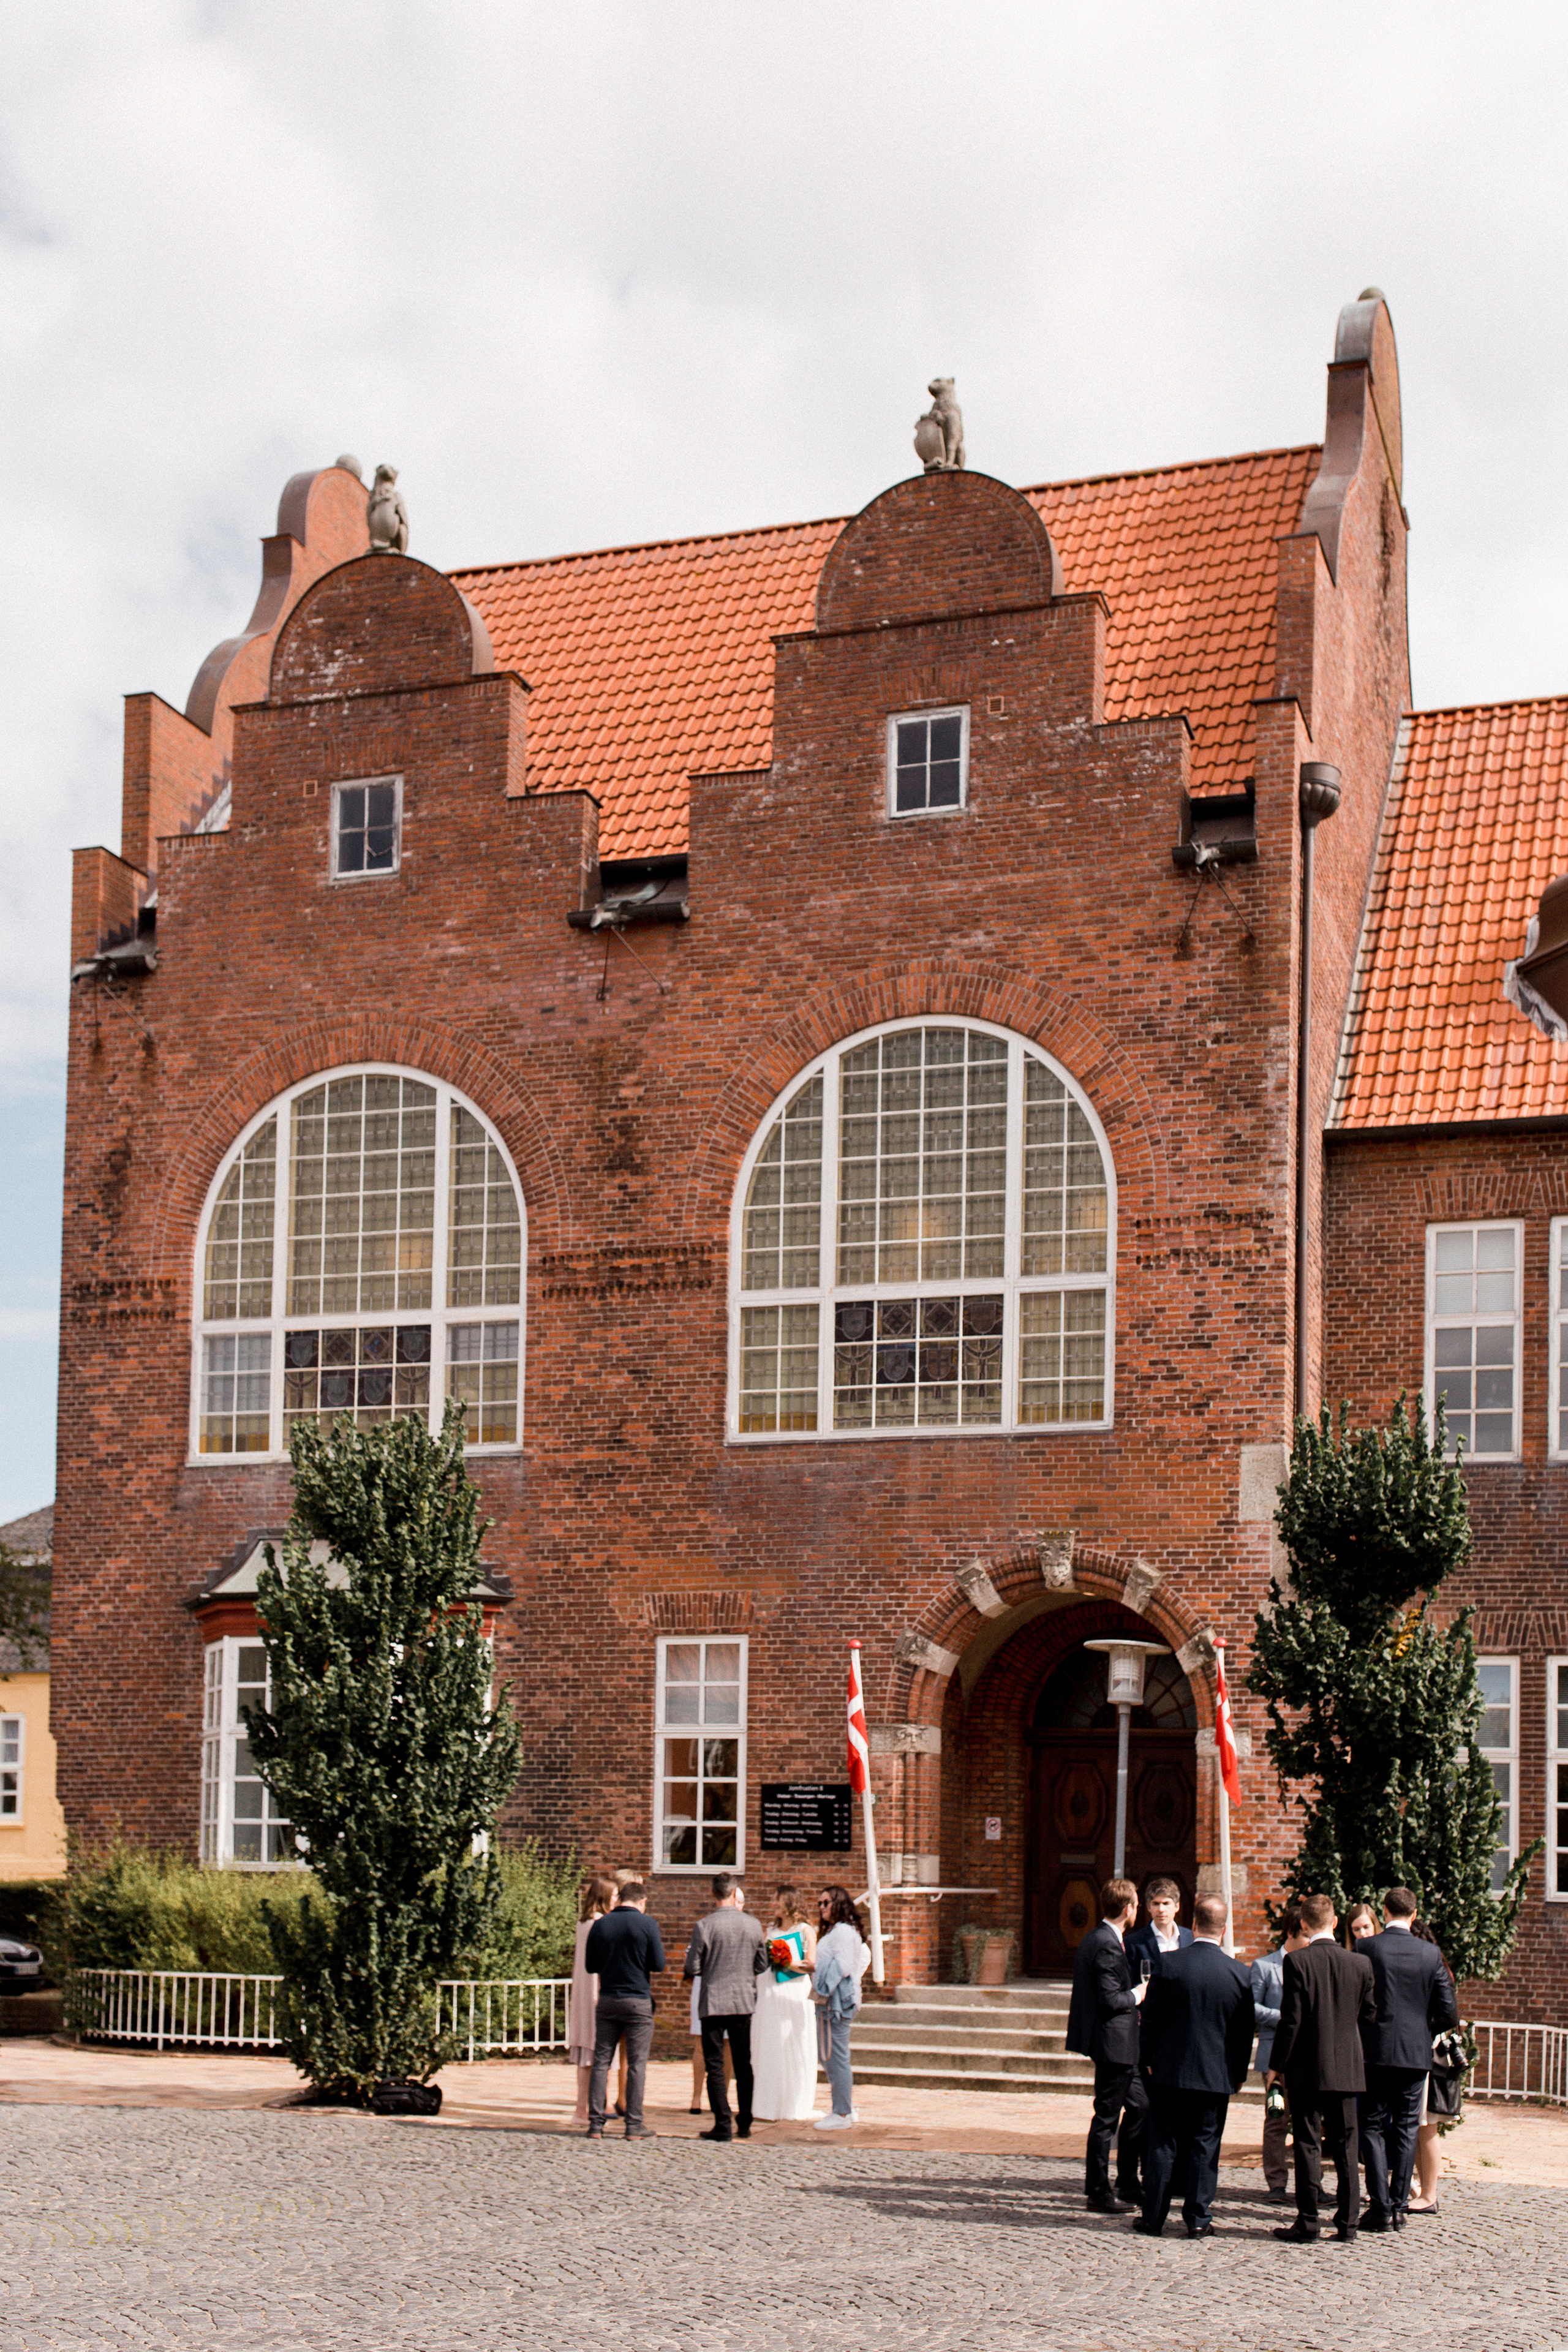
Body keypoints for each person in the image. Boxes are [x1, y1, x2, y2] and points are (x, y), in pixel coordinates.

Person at [1134, 1891, 1256, 2238]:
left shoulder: (1168, 1964)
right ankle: (1199, 2218)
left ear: (1194, 1924)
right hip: (1216, 2074)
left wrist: (1148, 2060)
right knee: (1205, 2145)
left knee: (1163, 2143)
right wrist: (1238, 2074)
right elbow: (1244, 2033)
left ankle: (1153, 2217)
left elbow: (1150, 2018)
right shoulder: (1239, 1974)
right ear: (1225, 1929)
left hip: (1170, 2070)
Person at [1267, 1891, 1376, 2241]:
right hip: (1347, 2066)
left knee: (1308, 2143)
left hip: (1307, 2067)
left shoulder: (1297, 1962)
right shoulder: (1360, 1963)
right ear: (1335, 1922)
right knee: (1346, 2145)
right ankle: (1348, 2223)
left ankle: (1309, 2221)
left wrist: (1277, 2066)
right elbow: (1370, 2016)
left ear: (1303, 1925)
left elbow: (1291, 2020)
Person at [1360, 1888, 1460, 2230]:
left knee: (1371, 2125)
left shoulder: (1367, 1948)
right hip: (1415, 2054)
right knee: (1406, 2127)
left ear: (1385, 1912)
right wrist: (1421, 2030)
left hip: (1375, 2051)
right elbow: (1449, 2013)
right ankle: (1399, 2206)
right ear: (1414, 1915)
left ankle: (1380, 2205)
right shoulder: (1430, 1953)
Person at [1064, 1877, 1149, 2212]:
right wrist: (1139, 1994)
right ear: (1128, 1909)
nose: (1137, 1911)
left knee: (1141, 2107)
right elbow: (1110, 1998)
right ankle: (1098, 2191)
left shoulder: (1104, 1938)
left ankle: (1127, 2181)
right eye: (1137, 1905)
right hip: (1114, 2044)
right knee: (1106, 2119)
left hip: (1124, 2045)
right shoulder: (1105, 1942)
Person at [684, 1872, 767, 2142]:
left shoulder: (704, 1926)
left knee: (715, 2064)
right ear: (734, 1893)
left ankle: (722, 2123)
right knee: (744, 2063)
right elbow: (762, 1964)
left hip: (713, 2000)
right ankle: (745, 2122)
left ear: (713, 1894)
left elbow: (692, 1966)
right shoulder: (753, 1925)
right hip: (742, 2000)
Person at [583, 1879, 666, 2140]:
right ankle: (633, 2125)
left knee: (601, 2061)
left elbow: (590, 1965)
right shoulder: (647, 1924)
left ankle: (596, 2124)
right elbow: (659, 1964)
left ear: (620, 1899)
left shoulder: (601, 1924)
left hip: (608, 1998)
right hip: (638, 2000)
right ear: (643, 1901)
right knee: (636, 2064)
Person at [1250, 1902, 1307, 2203]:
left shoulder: (1312, 1964)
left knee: (1308, 2121)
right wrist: (1284, 2018)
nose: (1310, 1940)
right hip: (1275, 2055)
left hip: (1307, 2055)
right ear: (1291, 1933)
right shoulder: (1266, 1966)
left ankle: (1311, 2184)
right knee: (1276, 2119)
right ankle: (1276, 2182)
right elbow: (1252, 2007)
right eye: (1306, 1935)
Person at [752, 1885, 818, 2122]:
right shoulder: (770, 1930)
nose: (773, 1905)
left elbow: (811, 1964)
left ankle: (792, 2102)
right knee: (769, 2043)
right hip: (769, 1991)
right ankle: (767, 2103)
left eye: (777, 1901)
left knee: (791, 2043)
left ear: (789, 1902)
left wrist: (784, 1960)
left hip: (793, 1991)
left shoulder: (806, 1930)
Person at [1406, 1917, 1457, 2213]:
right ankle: (1423, 2191)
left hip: (1429, 2053)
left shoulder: (1434, 1969)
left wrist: (1422, 2031)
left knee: (1426, 2127)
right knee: (1419, 2127)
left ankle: (1429, 2194)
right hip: (1426, 2052)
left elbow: (1448, 2015)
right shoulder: (1437, 1967)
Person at [812, 1883, 871, 2129]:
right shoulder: (837, 1931)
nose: (822, 1907)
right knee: (829, 2055)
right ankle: (844, 2108)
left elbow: (844, 1966)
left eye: (826, 1902)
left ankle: (842, 2113)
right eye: (820, 1903)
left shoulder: (844, 1932)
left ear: (838, 1904)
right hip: (835, 1999)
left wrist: (817, 1973)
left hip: (838, 2000)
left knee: (835, 2056)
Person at [568, 1873, 617, 2126]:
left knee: (587, 2055)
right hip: (595, 1992)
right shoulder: (599, 1924)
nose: (617, 1900)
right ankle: (585, 2109)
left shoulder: (584, 1922)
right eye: (615, 1896)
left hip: (583, 1992)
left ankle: (586, 2107)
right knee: (595, 2053)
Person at [1125, 1878, 1193, 1978]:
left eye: (1166, 1903)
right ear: (1149, 1907)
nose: (1161, 1910)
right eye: (1156, 1904)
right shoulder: (1134, 1943)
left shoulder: (1191, 1938)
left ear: (1177, 1907)